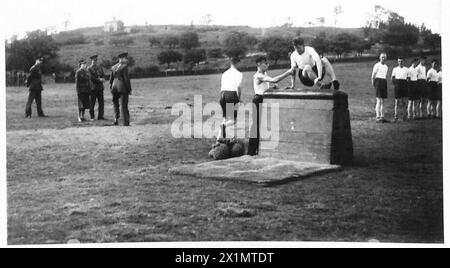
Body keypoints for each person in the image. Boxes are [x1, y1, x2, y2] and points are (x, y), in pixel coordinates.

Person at [248, 56, 293, 156]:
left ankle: (256, 150)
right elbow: (274, 80)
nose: (267, 65)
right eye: (265, 63)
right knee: (256, 126)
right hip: (258, 100)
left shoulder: (264, 74)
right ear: (258, 64)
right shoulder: (258, 75)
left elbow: (265, 88)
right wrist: (288, 73)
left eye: (267, 63)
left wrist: (274, 88)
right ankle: (251, 152)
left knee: (261, 126)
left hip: (263, 99)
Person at [217, 56, 243, 139]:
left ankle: (219, 138)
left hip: (222, 95)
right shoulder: (239, 74)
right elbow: (238, 88)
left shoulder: (224, 73)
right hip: (231, 95)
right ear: (238, 63)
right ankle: (223, 126)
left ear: (231, 63)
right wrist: (239, 99)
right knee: (233, 120)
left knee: (225, 118)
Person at [110, 52, 132, 126]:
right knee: (124, 105)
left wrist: (111, 87)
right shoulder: (124, 66)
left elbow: (111, 79)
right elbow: (126, 79)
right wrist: (129, 89)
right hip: (122, 87)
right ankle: (125, 122)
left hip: (114, 87)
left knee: (115, 104)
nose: (126, 60)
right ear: (121, 59)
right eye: (125, 58)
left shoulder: (113, 67)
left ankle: (116, 119)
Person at [371, 53, 389, 123]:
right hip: (378, 81)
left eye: (384, 57)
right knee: (379, 100)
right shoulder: (376, 65)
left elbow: (384, 76)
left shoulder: (386, 67)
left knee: (383, 101)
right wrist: (374, 84)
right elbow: (373, 76)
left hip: (383, 81)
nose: (383, 59)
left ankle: (382, 116)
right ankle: (377, 116)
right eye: (382, 57)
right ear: (379, 58)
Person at [88, 55, 106, 120]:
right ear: (91, 61)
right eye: (94, 60)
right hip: (93, 88)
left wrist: (103, 78)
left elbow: (103, 74)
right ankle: (92, 116)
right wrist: (99, 80)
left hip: (100, 87)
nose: (95, 61)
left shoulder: (99, 67)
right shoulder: (89, 68)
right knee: (92, 102)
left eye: (96, 60)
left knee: (101, 102)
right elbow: (91, 78)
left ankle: (100, 116)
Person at [391, 57, 409, 121]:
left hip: (404, 85)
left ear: (403, 62)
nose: (400, 63)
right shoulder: (395, 69)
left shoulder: (407, 69)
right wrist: (396, 85)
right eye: (399, 61)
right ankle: (396, 116)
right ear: (397, 62)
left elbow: (408, 78)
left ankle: (404, 116)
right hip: (398, 85)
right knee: (397, 102)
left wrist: (406, 84)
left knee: (404, 102)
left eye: (401, 61)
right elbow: (392, 78)